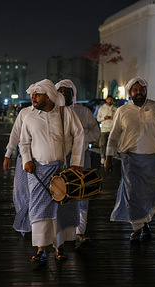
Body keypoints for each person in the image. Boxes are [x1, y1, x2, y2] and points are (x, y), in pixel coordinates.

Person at [19, 79, 85, 263]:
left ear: (48, 97)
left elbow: (79, 135)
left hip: (62, 171)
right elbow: (23, 142)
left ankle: (59, 246)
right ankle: (40, 249)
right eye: (33, 95)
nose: (33, 97)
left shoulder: (66, 114)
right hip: (38, 172)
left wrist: (76, 161)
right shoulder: (30, 117)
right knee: (40, 211)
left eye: (37, 95)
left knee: (60, 210)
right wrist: (27, 160)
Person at [104, 77, 155, 244]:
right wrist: (108, 158)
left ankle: (145, 222)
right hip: (130, 158)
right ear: (129, 93)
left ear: (146, 90)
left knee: (152, 194)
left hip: (153, 158)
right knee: (132, 193)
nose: (138, 92)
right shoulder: (122, 111)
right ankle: (137, 228)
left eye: (141, 89)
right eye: (135, 90)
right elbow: (113, 137)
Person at [56, 79, 101, 249]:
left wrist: (80, 140)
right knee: (61, 195)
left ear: (73, 95)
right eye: (60, 92)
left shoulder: (83, 112)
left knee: (82, 194)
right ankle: (59, 234)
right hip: (59, 160)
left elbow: (95, 133)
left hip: (82, 158)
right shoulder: (52, 113)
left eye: (67, 92)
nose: (64, 95)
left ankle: (79, 233)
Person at [3, 95, 36, 234]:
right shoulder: (25, 113)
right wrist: (8, 154)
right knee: (20, 192)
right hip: (24, 159)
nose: (35, 97)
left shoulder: (54, 114)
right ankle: (25, 223)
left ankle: (37, 226)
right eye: (33, 95)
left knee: (38, 194)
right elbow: (15, 134)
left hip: (45, 162)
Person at [97, 95, 117, 165]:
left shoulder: (115, 109)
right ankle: (102, 157)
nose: (110, 101)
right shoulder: (101, 108)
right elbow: (98, 118)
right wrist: (104, 118)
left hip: (112, 129)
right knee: (103, 144)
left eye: (111, 99)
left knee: (111, 144)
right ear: (106, 100)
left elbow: (117, 119)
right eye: (108, 99)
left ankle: (111, 157)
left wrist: (112, 118)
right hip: (104, 129)